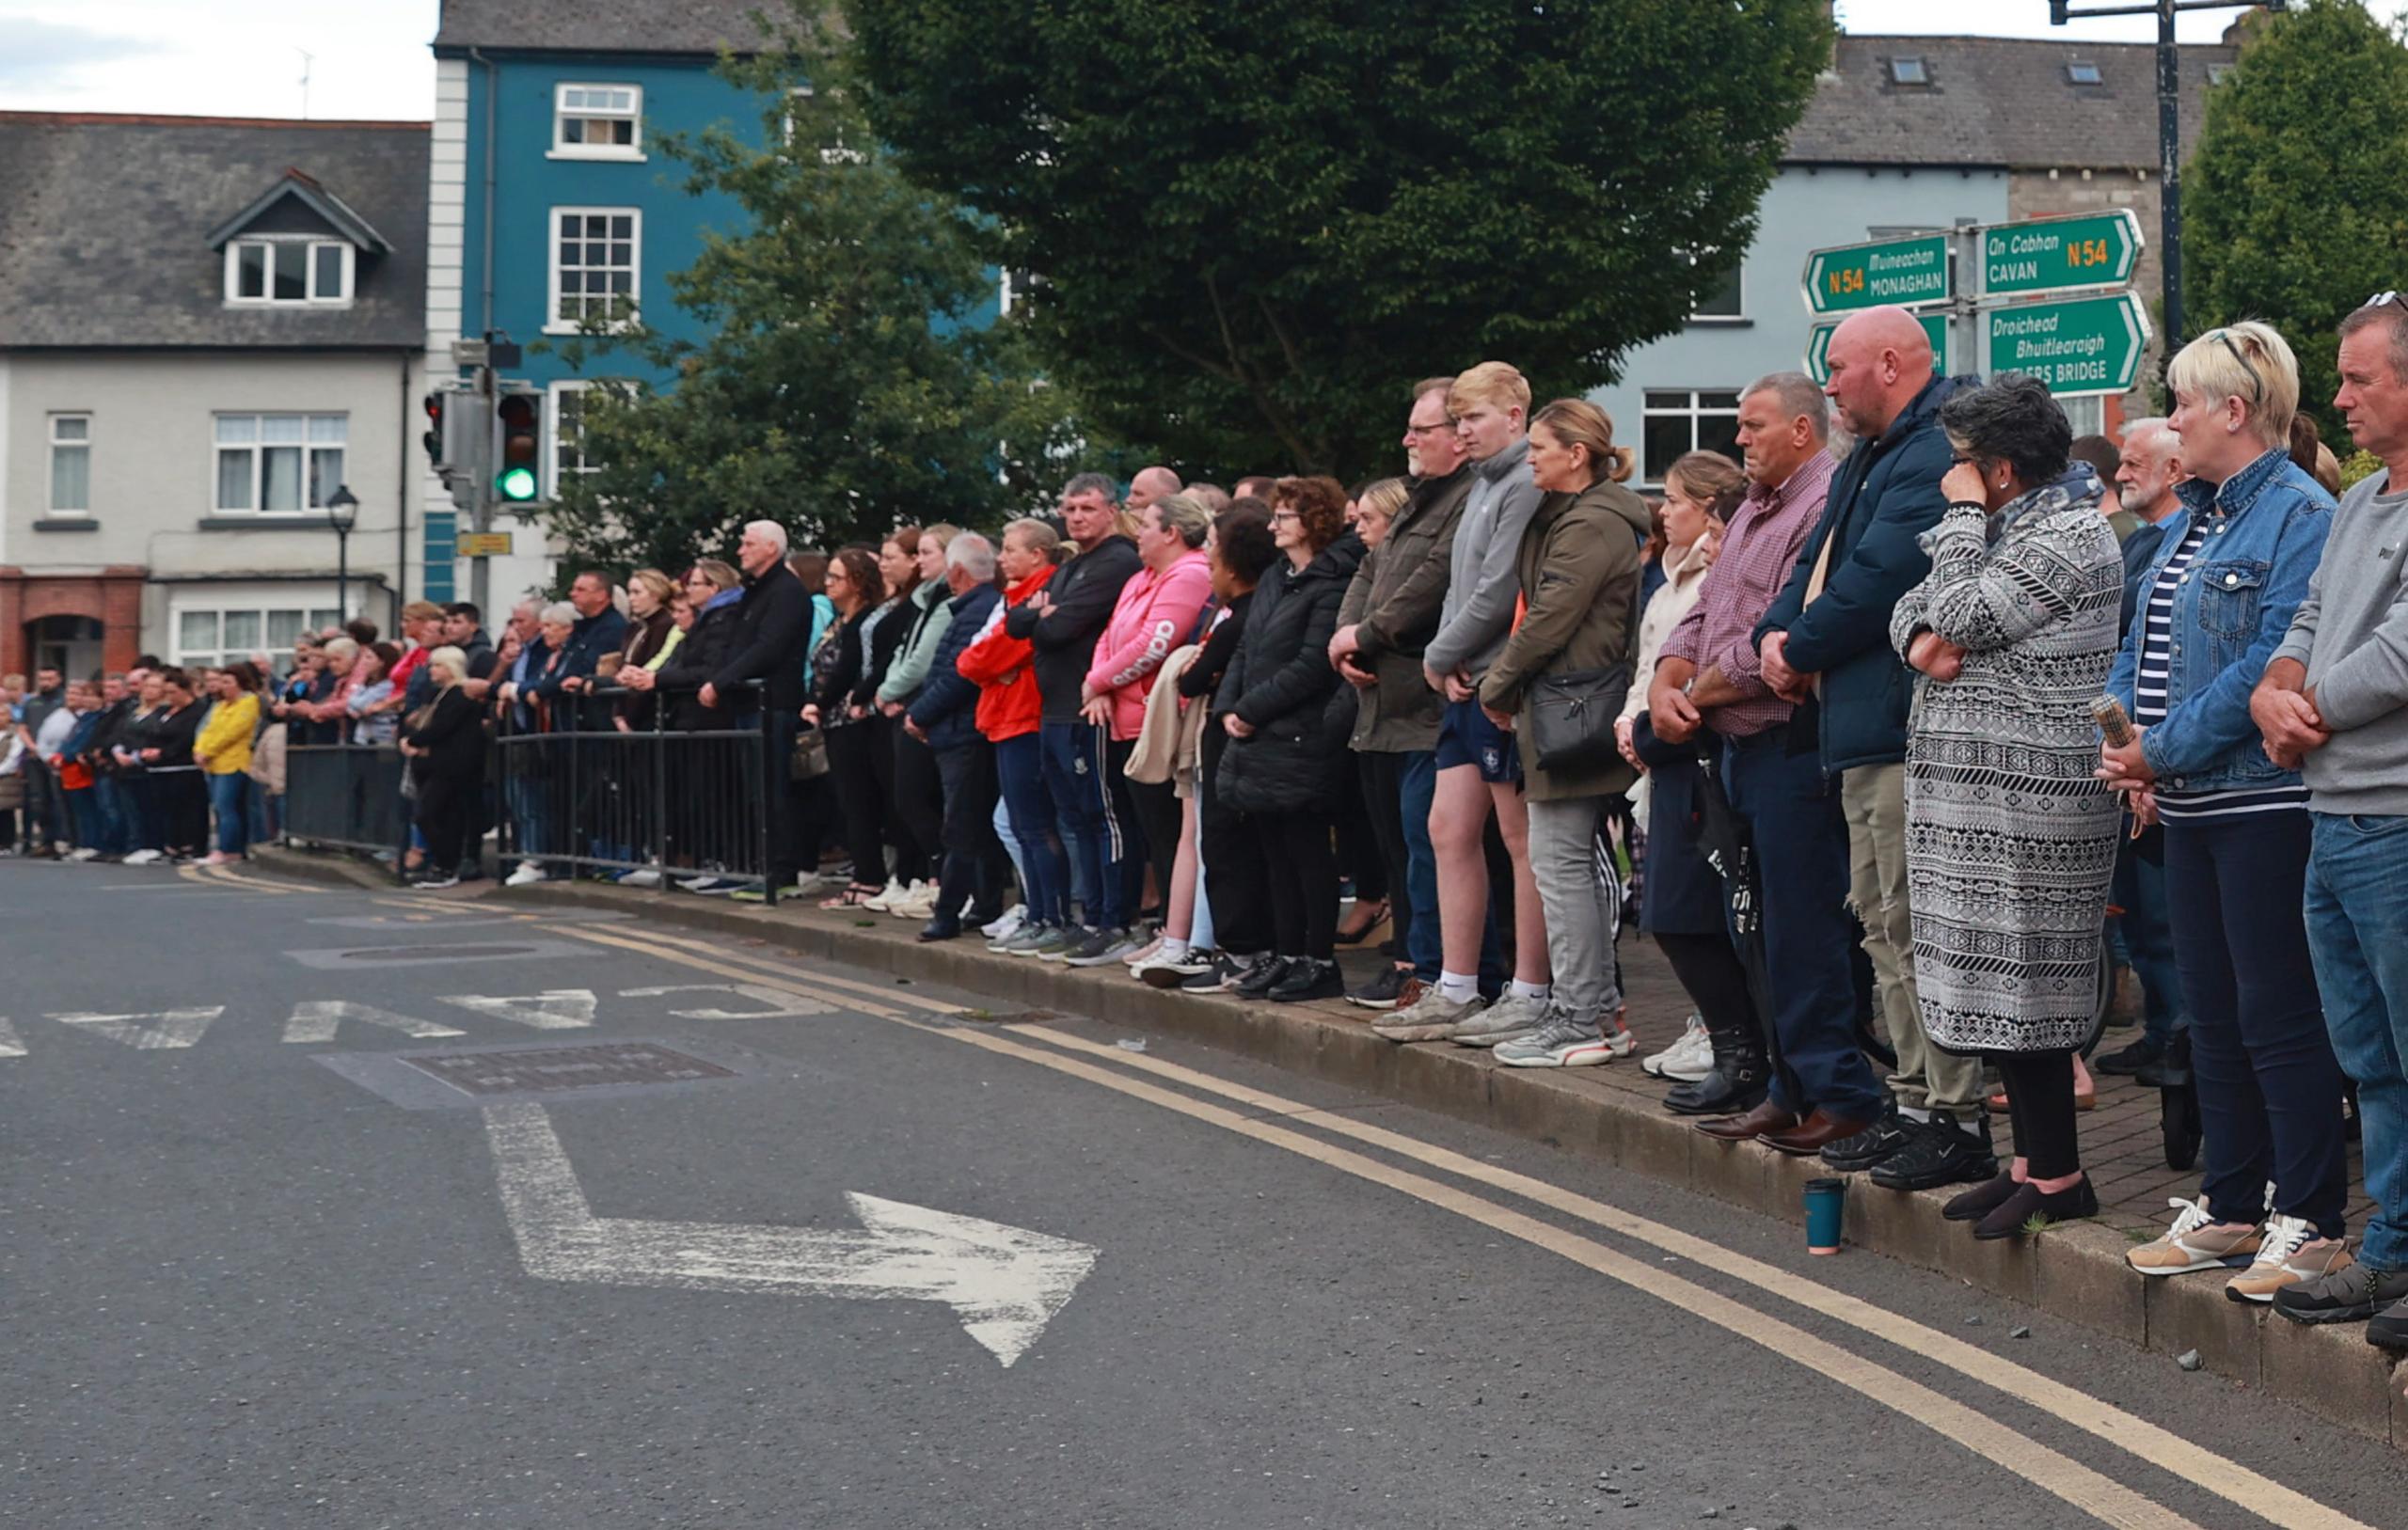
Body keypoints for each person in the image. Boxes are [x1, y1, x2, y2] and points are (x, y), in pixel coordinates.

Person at [2107, 321, 2349, 1305]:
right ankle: (2230, 1202)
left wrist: (2157, 749)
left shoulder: (2299, 514)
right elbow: (2143, 633)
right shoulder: (2192, 518)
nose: (2171, 420)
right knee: (2210, 1013)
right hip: (2192, 803)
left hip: (2263, 804)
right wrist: (2121, 738)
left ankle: (2312, 1219)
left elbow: (2266, 665)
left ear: (2233, 412)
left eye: (2180, 403)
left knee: (2275, 1014)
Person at [1887, 375, 2123, 1232]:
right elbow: (1915, 609)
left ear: (2000, 471)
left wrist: (1954, 535)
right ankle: (2031, 1163)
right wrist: (1921, 643)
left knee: (2032, 983)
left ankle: (2061, 1177)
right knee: (1997, 985)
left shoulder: (2066, 535)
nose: (1951, 479)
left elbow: (1953, 605)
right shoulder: (2007, 530)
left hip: (2032, 798)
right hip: (1976, 795)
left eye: (1962, 466)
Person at [1756, 306, 1982, 1171]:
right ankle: (1920, 1101)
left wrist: (1796, 647)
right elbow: (1813, 564)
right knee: (1882, 924)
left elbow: (1882, 576)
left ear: (1890, 364)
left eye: (1840, 369)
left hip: (1896, 724)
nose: (1831, 385)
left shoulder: (1932, 449)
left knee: (1913, 922)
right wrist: (1772, 639)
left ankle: (1951, 1116)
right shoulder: (1874, 454)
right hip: (1855, 724)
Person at [1655, 372, 1891, 1141]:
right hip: (1734, 752)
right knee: (1751, 926)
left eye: (1752, 425)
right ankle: (1789, 1086)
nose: (1739, 440)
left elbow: (1781, 638)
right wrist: (1667, 681)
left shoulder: (1821, 504)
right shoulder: (1753, 509)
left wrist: (1700, 697)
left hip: (1790, 747)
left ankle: (1841, 1095)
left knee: (1802, 930)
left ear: (1800, 429)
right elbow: (1702, 617)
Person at [2254, 294, 2408, 1337]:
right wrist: (2274, 682)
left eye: (2359, 379)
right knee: (2371, 1057)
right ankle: (2392, 1250)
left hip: (2393, 823)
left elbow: (2399, 654)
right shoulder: (2357, 503)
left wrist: (2300, 713)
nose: (2339, 397)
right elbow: (2310, 612)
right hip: (2331, 816)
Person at [1381, 361, 1553, 1044]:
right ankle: (1455, 985)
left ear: (1515, 414)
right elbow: (1463, 589)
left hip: (1497, 684)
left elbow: (1498, 587)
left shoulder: (1522, 481)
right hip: (1464, 680)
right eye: (1457, 420)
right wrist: (1448, 657)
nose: (1463, 432)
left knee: (1521, 840)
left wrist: (1438, 654)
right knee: (1447, 828)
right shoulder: (1480, 483)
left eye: (1474, 418)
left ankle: (1531, 987)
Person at [1475, 399, 1649, 1065]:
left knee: (1562, 865)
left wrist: (1497, 684)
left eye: (1540, 447)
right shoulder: (1573, 515)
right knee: (1557, 863)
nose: (1530, 458)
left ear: (1577, 454)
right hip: (1562, 703)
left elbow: (1549, 617)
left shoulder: (1593, 522)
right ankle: (1587, 1010)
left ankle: (1587, 1018)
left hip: (1572, 707)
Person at [1333, 379, 1478, 1012]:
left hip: (1426, 709)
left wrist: (1362, 636)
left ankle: (1434, 968)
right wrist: (1348, 640)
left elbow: (1430, 582)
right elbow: (1370, 572)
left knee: (1429, 847)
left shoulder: (1465, 500)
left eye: (1421, 429)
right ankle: (1410, 963)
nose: (1408, 439)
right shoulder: (1419, 498)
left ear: (1457, 435)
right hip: (1380, 708)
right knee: (1400, 847)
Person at [1212, 477, 1363, 1002]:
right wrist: (1230, 706)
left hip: (1302, 735)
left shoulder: (1334, 581)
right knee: (1274, 852)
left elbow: (1312, 665)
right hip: (1260, 732)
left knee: (1307, 853)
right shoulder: (1279, 576)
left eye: (1286, 517)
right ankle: (1287, 954)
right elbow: (1246, 649)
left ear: (1314, 522)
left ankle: (1318, 960)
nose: (1274, 525)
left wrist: (1251, 710)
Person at [1618, 451, 1742, 1087]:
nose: (1662, 510)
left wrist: (1645, 727)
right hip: (1655, 752)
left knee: (1691, 909)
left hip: (1688, 757)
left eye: (1676, 500)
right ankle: (1714, 1029)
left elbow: (1697, 677)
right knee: (1664, 904)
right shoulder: (1669, 580)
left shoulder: (1708, 578)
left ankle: (1722, 1033)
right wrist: (1631, 720)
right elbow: (1654, 664)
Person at [1010, 474, 1143, 962]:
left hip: (1088, 708)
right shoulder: (1070, 565)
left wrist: (1045, 618)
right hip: (1055, 710)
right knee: (1076, 818)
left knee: (1105, 818)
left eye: (1086, 508)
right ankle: (1093, 917)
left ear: (1110, 509)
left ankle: (1116, 920)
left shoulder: (1118, 561)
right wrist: (1040, 617)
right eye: (1068, 509)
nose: (1076, 517)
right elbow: (1015, 620)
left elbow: (1058, 628)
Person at [2096, 418, 2192, 1080]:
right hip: (2129, 755)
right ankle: (2163, 1031)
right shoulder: (2142, 545)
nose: (2121, 474)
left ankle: (2181, 1039)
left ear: (2174, 471)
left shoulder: (2179, 544)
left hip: (2167, 759)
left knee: (2167, 918)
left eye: (2133, 464)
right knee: (2145, 914)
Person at [1086, 492, 1213, 938]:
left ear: (1171, 533)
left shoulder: (1190, 575)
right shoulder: (1142, 577)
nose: (1136, 533)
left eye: (1145, 525)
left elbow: (1154, 644)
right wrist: (1099, 684)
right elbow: (1110, 636)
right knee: (1150, 830)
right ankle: (1166, 929)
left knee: (1167, 832)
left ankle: (1173, 930)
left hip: (1156, 722)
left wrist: (1099, 681)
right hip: (1124, 717)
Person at [1179, 502, 1282, 992]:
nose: (1209, 572)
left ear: (1234, 568)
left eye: (1213, 561)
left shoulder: (1237, 617)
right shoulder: (1254, 610)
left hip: (1235, 750)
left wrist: (1202, 669)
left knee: (1226, 847)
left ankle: (1242, 951)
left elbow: (1193, 677)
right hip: (1237, 747)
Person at [963, 519, 1069, 954]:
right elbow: (971, 660)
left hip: (1025, 717)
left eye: (1009, 550)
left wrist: (996, 665)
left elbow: (992, 654)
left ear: (1038, 555)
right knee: (1023, 826)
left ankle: (1052, 916)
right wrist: (993, 666)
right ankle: (1039, 913)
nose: (1001, 558)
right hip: (1008, 717)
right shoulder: (1015, 598)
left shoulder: (1041, 594)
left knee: (1034, 825)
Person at [904, 534, 1010, 940]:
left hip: (963, 731)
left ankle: (948, 911)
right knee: (976, 826)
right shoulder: (978, 607)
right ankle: (983, 906)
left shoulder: (973, 611)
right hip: (962, 729)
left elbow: (959, 674)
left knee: (961, 825)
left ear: (957, 572)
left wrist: (920, 713)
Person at [706, 521, 809, 896]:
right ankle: (765, 866)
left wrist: (720, 681)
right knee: (757, 791)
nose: (740, 550)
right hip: (750, 702)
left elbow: (769, 647)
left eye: (748, 544)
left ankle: (782, 871)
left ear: (770, 547)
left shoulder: (786, 592)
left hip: (773, 703)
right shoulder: (755, 591)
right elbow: (739, 644)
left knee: (773, 790)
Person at [805, 547, 890, 907]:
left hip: (853, 719)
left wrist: (819, 703)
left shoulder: (864, 619)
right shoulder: (838, 620)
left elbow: (848, 668)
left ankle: (869, 878)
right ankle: (864, 873)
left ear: (857, 582)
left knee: (860, 802)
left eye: (836, 578)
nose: (828, 583)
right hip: (833, 720)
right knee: (848, 800)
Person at [872, 525, 948, 906]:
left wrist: (886, 692)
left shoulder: (945, 600)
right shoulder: (924, 598)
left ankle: (939, 878)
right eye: (917, 552)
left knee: (918, 798)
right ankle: (927, 878)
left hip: (927, 708)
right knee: (907, 798)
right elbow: (905, 651)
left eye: (927, 552)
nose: (920, 560)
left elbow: (923, 660)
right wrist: (885, 691)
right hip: (905, 703)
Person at [398, 646, 485, 890]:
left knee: (429, 814)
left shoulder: (459, 694)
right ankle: (442, 865)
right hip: (438, 765)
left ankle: (448, 865)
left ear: (450, 668)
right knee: (440, 815)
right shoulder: (441, 694)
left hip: (451, 767)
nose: (431, 670)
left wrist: (413, 741)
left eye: (437, 665)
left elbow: (443, 727)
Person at [195, 661, 262, 863]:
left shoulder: (249, 702)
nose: (223, 686)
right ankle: (232, 848)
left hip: (234, 763)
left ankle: (228, 849)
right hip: (214, 763)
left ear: (239, 683)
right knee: (219, 807)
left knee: (226, 807)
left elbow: (233, 732)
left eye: (227, 682)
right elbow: (208, 729)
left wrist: (208, 750)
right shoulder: (220, 706)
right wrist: (199, 750)